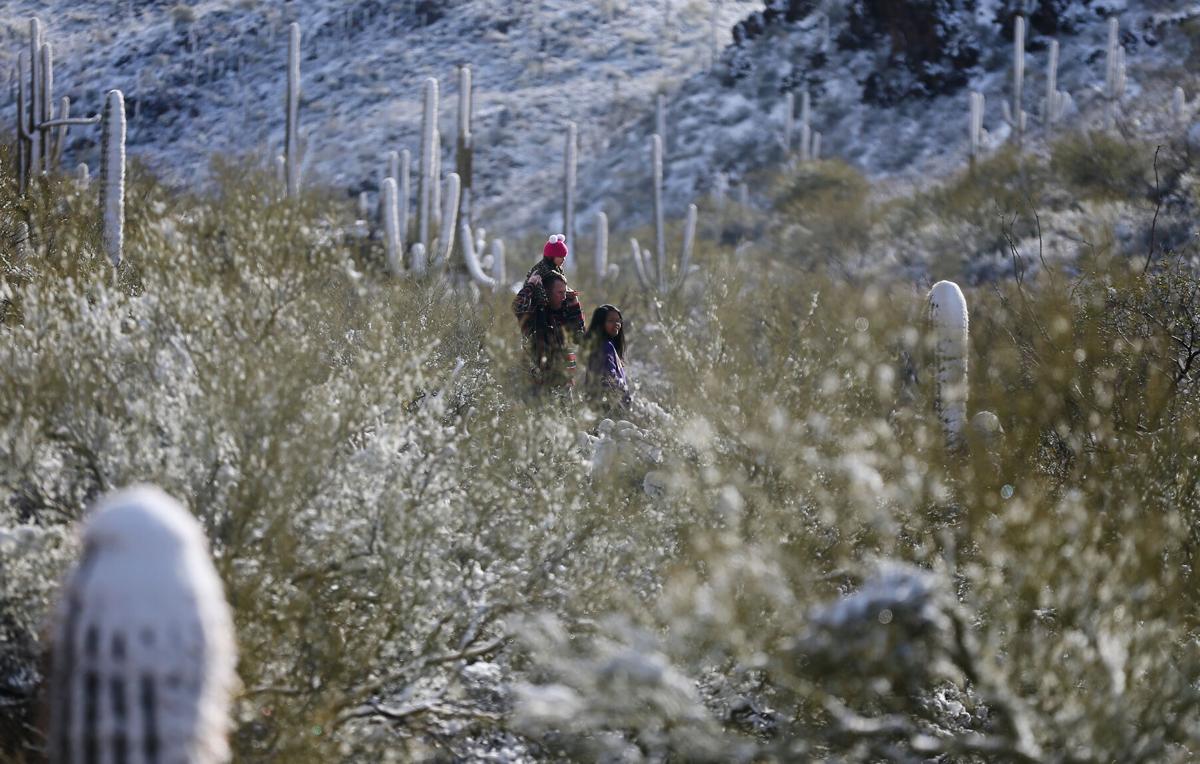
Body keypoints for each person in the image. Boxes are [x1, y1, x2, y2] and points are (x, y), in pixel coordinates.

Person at [512, 270, 579, 394]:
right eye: (560, 293)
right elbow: (518, 306)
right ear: (547, 292)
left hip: (563, 384)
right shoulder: (534, 316)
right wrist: (530, 285)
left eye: (565, 292)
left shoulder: (560, 314)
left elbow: (579, 335)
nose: (564, 297)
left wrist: (574, 302)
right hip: (539, 385)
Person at [524, 234, 585, 343]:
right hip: (539, 304)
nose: (564, 259)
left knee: (573, 300)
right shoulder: (542, 270)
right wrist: (564, 294)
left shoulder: (557, 268)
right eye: (561, 256)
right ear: (552, 256)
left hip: (551, 299)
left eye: (564, 256)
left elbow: (560, 285)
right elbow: (537, 290)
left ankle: (578, 331)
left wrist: (567, 292)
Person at [584, 304, 632, 412]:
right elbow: (610, 378)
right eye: (611, 321)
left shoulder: (606, 346)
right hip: (608, 409)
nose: (617, 324)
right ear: (601, 324)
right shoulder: (605, 346)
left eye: (618, 321)